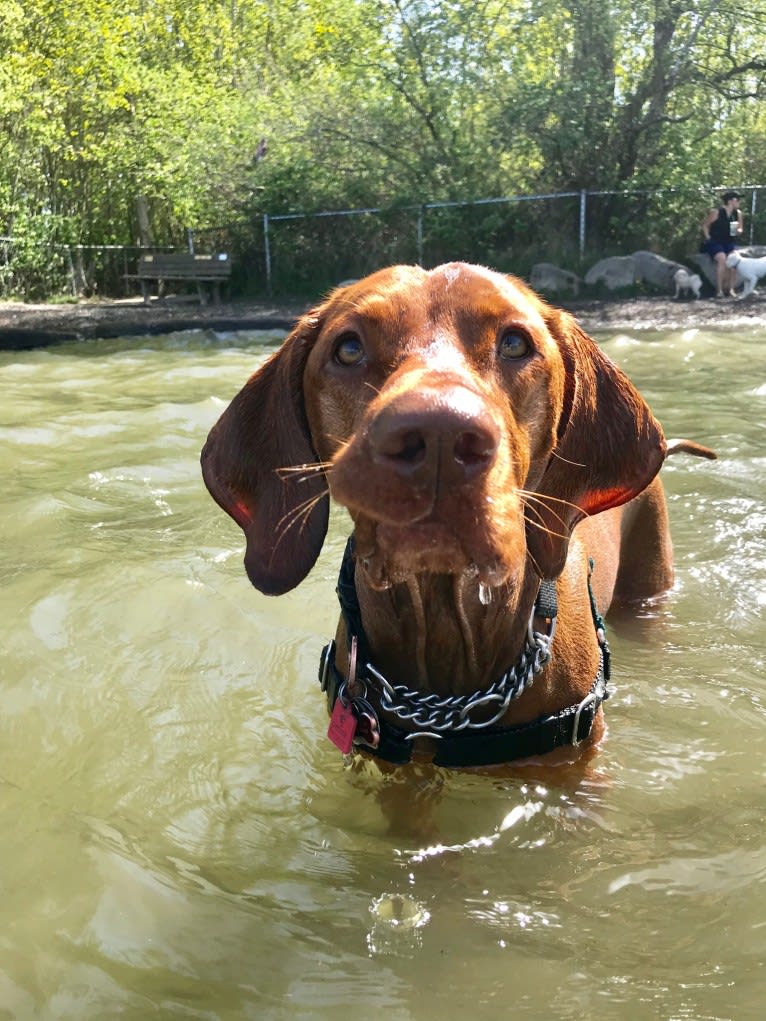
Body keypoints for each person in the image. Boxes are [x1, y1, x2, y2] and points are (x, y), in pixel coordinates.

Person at [700, 190, 744, 297]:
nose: (739, 202)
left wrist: (738, 231)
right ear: (730, 201)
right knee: (722, 258)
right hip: (715, 242)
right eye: (737, 200)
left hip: (729, 241)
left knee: (734, 260)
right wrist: (708, 238)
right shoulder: (716, 212)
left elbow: (740, 228)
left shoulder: (737, 213)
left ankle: (731, 289)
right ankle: (719, 290)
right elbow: (704, 225)